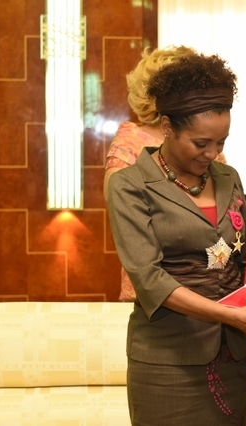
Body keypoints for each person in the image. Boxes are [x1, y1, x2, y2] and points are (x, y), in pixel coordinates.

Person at [106, 52, 246, 426]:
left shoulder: (227, 176)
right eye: (201, 143)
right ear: (168, 126)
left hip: (233, 356)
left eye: (221, 142)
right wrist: (233, 314)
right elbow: (149, 280)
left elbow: (243, 260)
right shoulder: (130, 185)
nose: (213, 153)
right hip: (167, 362)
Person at [103, 45, 226, 302]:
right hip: (158, 300)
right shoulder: (129, 145)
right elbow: (128, 228)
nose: (211, 153)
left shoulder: (210, 147)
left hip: (217, 289)